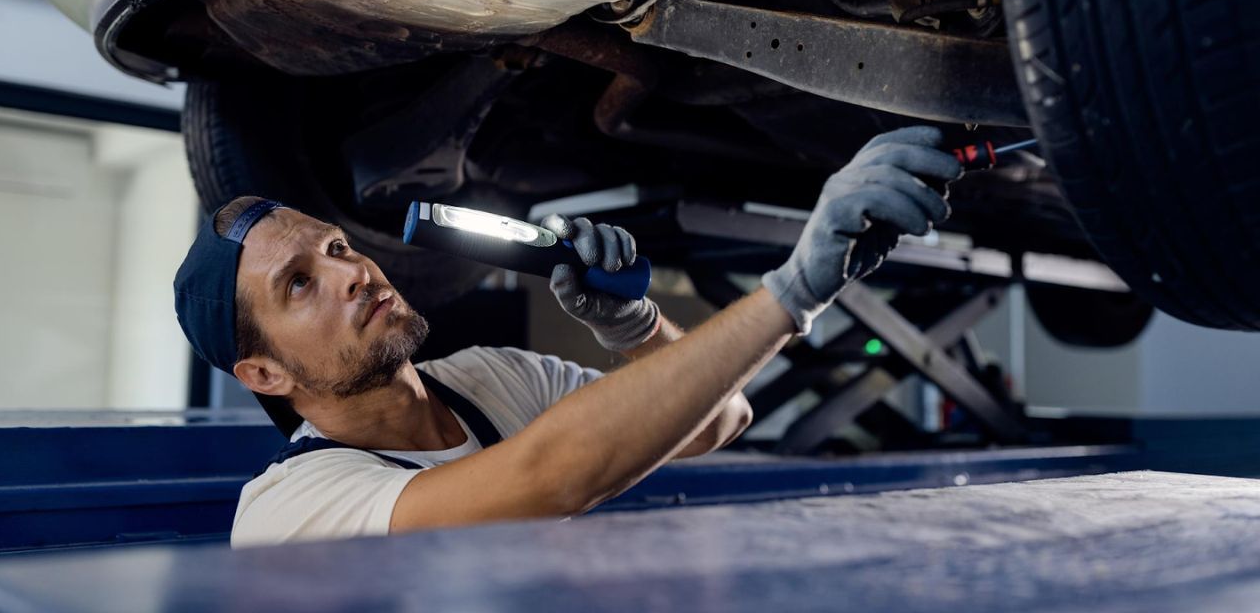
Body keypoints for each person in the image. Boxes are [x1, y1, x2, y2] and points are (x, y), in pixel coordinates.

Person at [172, 126, 961, 547]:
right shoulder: (286, 510)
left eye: (338, 247)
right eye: (299, 284)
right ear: (265, 373)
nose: (349, 271)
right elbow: (554, 474)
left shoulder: (491, 377)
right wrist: (794, 291)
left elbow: (718, 423)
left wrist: (635, 326)